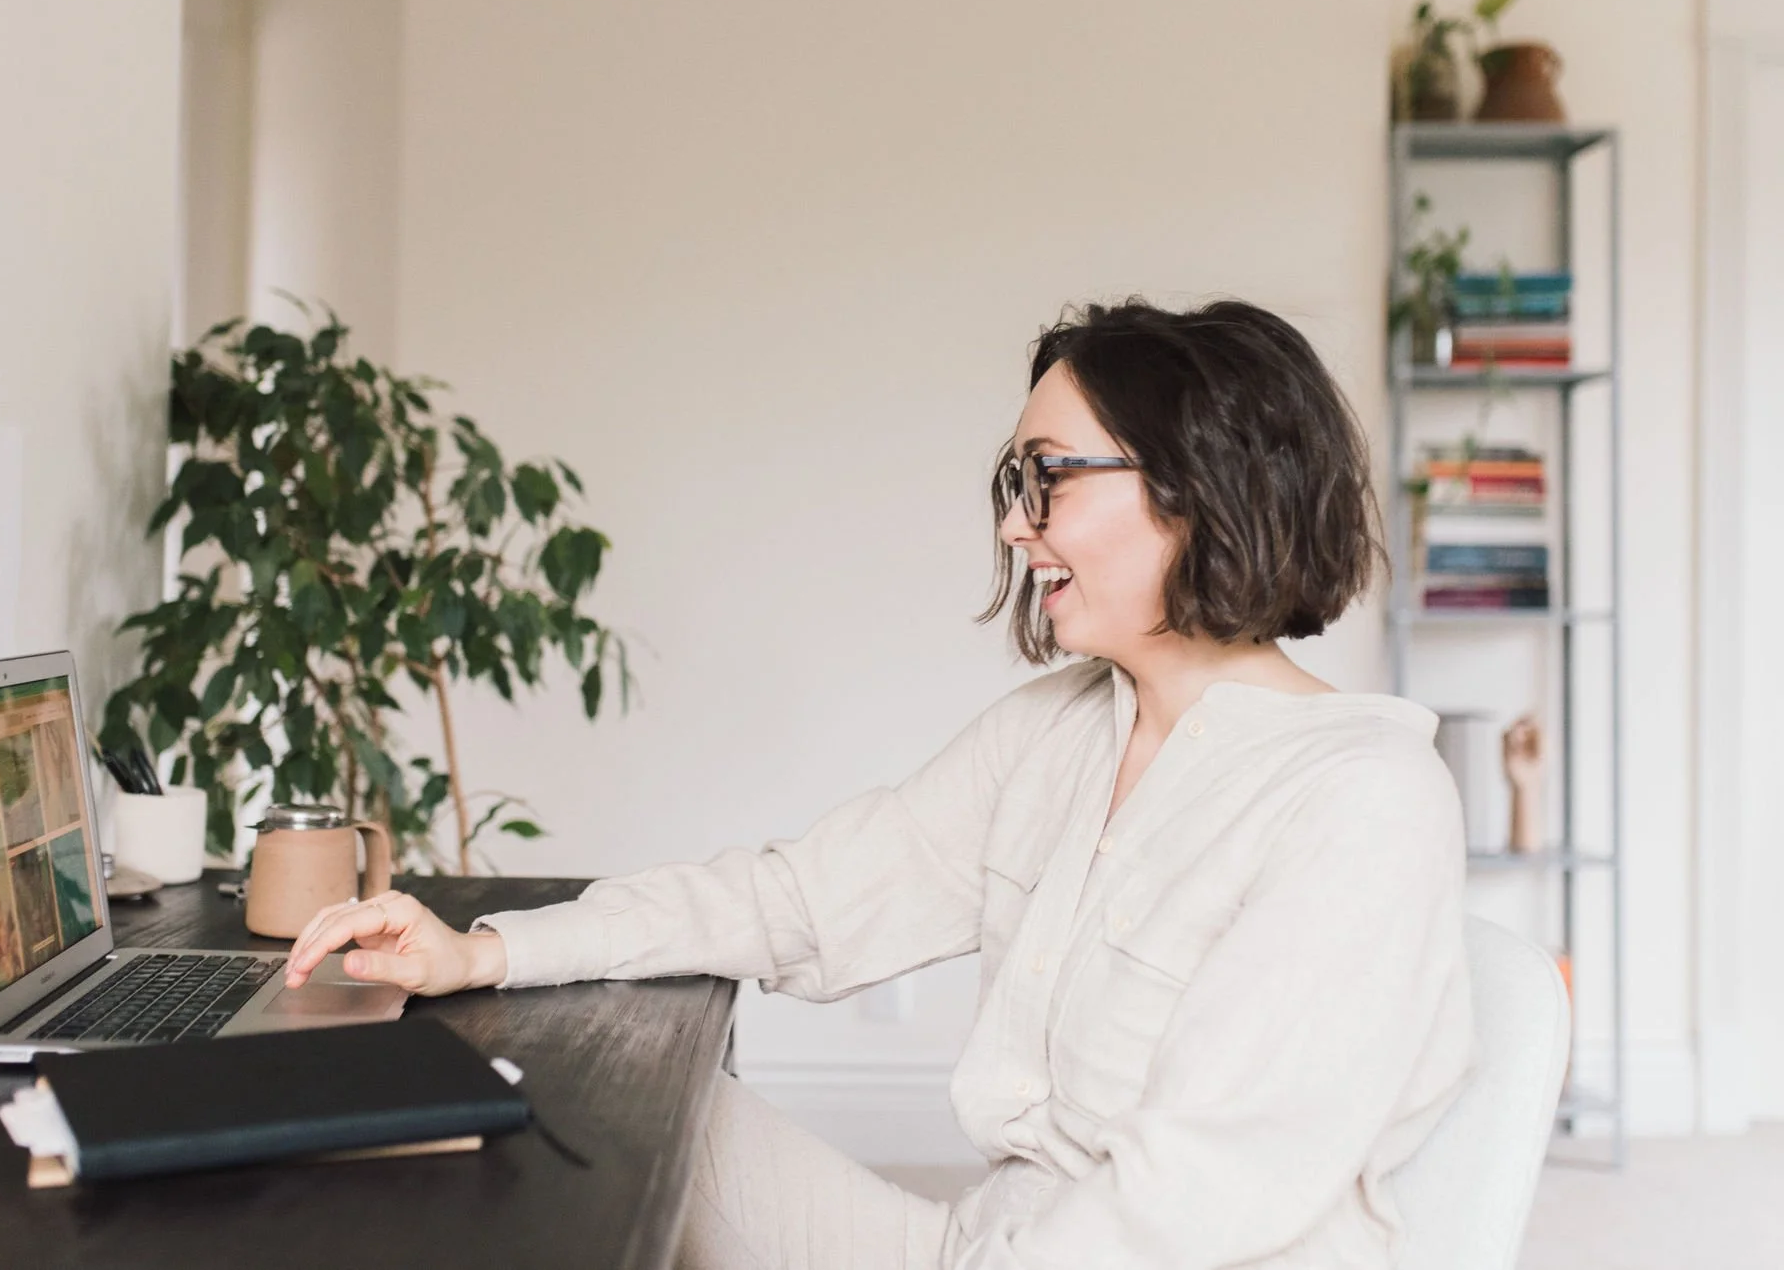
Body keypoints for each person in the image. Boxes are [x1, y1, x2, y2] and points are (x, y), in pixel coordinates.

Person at [283, 298, 1477, 1270]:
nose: (1015, 529)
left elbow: (1191, 1207)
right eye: (1013, 485)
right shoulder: (1056, 736)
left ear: (1199, 484)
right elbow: (795, 903)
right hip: (976, 1248)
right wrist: (480, 952)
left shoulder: (1359, 801)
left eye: (1046, 477)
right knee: (583, 1092)